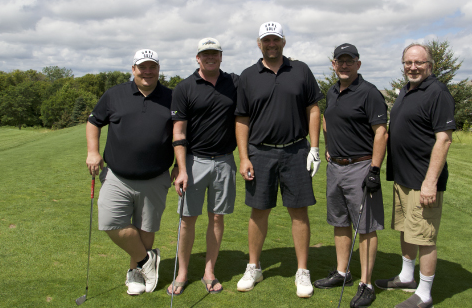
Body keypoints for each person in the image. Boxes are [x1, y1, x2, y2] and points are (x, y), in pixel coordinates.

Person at [233, 22, 324, 297]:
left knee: (299, 211)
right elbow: (242, 119)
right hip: (260, 152)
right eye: (266, 40)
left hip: (296, 150)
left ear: (283, 41)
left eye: (276, 39)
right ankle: (254, 267)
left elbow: (313, 108)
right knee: (259, 210)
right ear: (258, 43)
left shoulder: (301, 70)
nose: (271, 44)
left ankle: (302, 271)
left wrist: (315, 148)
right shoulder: (248, 76)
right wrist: (244, 157)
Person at [84, 49, 174, 295]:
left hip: (155, 176)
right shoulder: (115, 95)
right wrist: (93, 152)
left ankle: (135, 272)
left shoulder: (172, 97)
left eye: (152, 67)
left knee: (146, 228)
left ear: (158, 69)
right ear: (133, 69)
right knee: (111, 222)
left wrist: (179, 166)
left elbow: (183, 134)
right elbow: (93, 121)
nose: (147, 71)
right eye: (142, 67)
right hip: (117, 175)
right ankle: (147, 261)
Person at [375, 43, 456, 308]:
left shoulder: (438, 93)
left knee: (424, 237)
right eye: (408, 62)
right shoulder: (406, 90)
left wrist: (430, 182)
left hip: (423, 181)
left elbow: (443, 140)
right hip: (403, 178)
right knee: (406, 230)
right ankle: (407, 276)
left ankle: (424, 293)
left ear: (429, 65)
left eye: (419, 63)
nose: (413, 67)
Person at [311, 43, 389, 308]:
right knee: (340, 222)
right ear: (333, 64)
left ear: (358, 63)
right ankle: (342, 272)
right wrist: (329, 148)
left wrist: (375, 170)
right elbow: (327, 122)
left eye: (349, 60)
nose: (344, 65)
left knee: (365, 227)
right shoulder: (332, 92)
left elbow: (381, 132)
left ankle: (366, 284)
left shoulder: (369, 93)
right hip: (336, 167)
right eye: (339, 61)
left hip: (361, 167)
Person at [167, 38, 238, 295]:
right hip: (194, 160)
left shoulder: (234, 83)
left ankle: (209, 271)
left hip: (225, 160)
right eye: (205, 54)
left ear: (221, 56)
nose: (210, 57)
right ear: (198, 58)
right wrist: (181, 168)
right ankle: (183, 272)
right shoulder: (185, 87)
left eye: (214, 53)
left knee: (217, 218)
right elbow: (179, 130)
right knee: (187, 220)